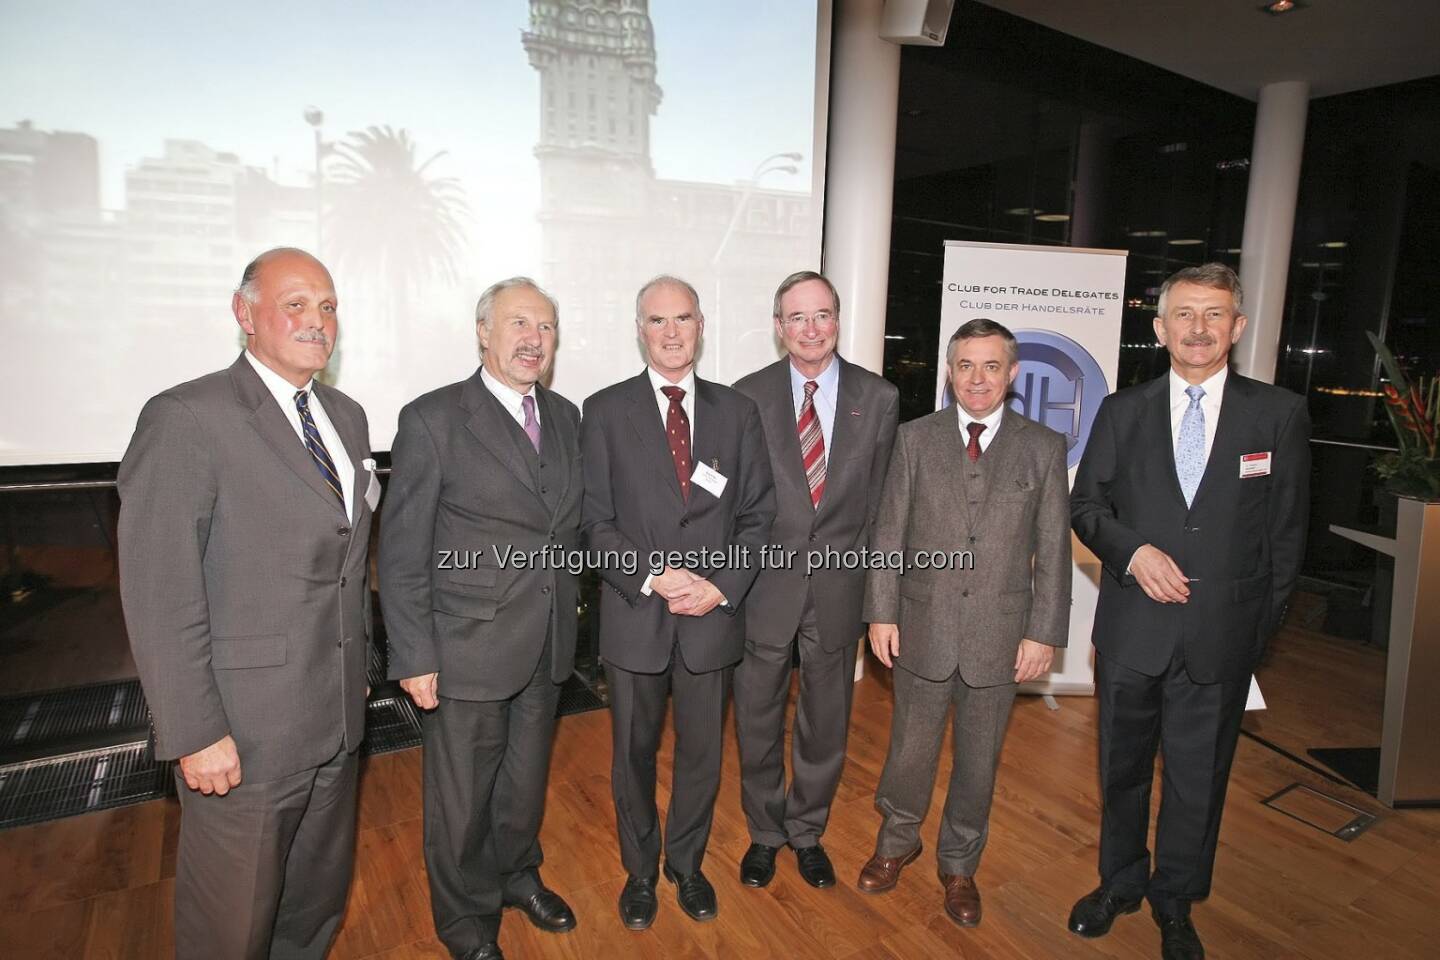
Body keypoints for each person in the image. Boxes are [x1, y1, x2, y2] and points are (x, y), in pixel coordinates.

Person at [118, 247, 376, 959]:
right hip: (242, 737)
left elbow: (343, 569)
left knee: (311, 912)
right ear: (244, 313)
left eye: (327, 307)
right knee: (228, 930)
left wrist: (359, 669)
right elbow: (159, 590)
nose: (316, 320)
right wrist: (194, 730)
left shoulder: (347, 418)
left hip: (335, 723)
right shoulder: (187, 417)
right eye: (295, 303)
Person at [1067, 263, 1310, 960]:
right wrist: (1133, 553)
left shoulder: (1279, 414)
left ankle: (1177, 900)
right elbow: (1086, 508)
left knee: (1200, 778)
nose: (1198, 329)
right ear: (1159, 328)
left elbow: (1286, 538)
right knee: (1122, 768)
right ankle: (1119, 882)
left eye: (1214, 315)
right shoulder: (1123, 410)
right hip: (1131, 631)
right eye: (1184, 315)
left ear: (1236, 327)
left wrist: (1255, 634)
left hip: (1221, 637)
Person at [381, 278, 582, 960]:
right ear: (483, 332)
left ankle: (517, 877)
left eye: (546, 327)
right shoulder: (433, 419)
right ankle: (466, 925)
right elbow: (402, 549)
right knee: (462, 802)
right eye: (519, 323)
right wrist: (413, 653)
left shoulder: (565, 417)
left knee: (523, 785)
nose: (533, 338)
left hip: (546, 640)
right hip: (464, 647)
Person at [859, 318, 1071, 929]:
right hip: (920, 628)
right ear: (949, 374)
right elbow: (888, 535)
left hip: (1001, 637)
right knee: (910, 751)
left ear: (1011, 374)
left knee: (980, 760)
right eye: (965, 366)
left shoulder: (1042, 447)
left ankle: (959, 863)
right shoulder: (915, 440)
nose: (977, 378)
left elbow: (1053, 548)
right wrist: (881, 612)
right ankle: (897, 843)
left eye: (991, 366)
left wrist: (1043, 631)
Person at [580, 275, 775, 929]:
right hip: (637, 614)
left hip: (710, 620)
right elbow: (594, 522)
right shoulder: (603, 411)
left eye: (683, 318)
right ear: (640, 329)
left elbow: (757, 514)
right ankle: (639, 872)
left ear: (701, 326)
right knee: (632, 756)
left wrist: (720, 586)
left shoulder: (736, 412)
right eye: (657, 320)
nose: (671, 332)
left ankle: (686, 866)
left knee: (701, 755)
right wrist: (652, 575)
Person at [730, 270, 898, 889]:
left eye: (822, 315)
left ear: (837, 320)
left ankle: (807, 833)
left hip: (838, 589)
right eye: (796, 317)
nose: (810, 329)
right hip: (764, 589)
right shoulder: (745, 396)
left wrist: (881, 598)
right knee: (757, 717)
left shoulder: (878, 398)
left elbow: (882, 510)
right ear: (779, 327)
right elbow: (736, 505)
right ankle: (764, 833)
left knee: (826, 722)